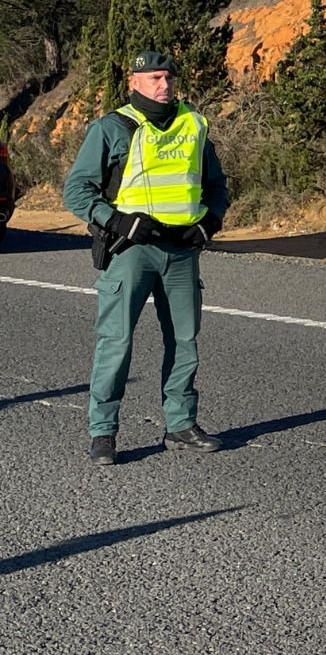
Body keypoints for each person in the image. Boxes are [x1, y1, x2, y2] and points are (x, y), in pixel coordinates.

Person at [63, 50, 229, 466]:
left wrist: (211, 222)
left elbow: (216, 186)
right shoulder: (111, 128)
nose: (164, 84)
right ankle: (103, 432)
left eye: (169, 77)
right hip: (131, 253)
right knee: (116, 344)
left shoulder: (192, 125)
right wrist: (117, 221)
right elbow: (78, 191)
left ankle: (180, 425)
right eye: (154, 77)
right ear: (133, 82)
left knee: (185, 342)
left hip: (182, 252)